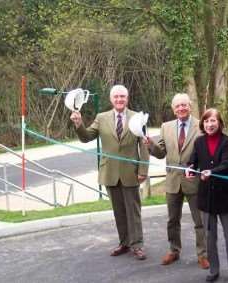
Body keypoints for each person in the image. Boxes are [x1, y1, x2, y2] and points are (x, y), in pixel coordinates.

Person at [70, 84, 149, 260]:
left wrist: (143, 169)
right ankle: (124, 243)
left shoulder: (138, 118)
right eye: (116, 97)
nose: (119, 99)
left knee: (133, 211)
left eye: (123, 96)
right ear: (111, 99)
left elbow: (144, 146)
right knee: (118, 211)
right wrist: (78, 123)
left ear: (127, 99)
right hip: (110, 173)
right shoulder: (101, 117)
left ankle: (137, 245)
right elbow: (86, 137)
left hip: (131, 172)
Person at [185, 108, 228, 282]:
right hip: (206, 197)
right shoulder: (199, 142)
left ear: (219, 123)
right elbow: (193, 161)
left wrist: (211, 172)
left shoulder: (227, 141)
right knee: (209, 235)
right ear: (203, 124)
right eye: (206, 121)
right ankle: (214, 270)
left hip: (225, 195)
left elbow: (227, 165)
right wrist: (190, 168)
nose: (209, 124)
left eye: (213, 121)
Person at [146, 93, 209, 269]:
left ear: (190, 106)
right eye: (177, 106)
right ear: (174, 110)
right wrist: (150, 145)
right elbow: (161, 153)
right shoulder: (166, 127)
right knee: (172, 220)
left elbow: (206, 151)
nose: (181, 108)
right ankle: (174, 250)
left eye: (184, 105)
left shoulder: (201, 125)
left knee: (200, 221)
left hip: (194, 181)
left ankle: (203, 254)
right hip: (173, 181)